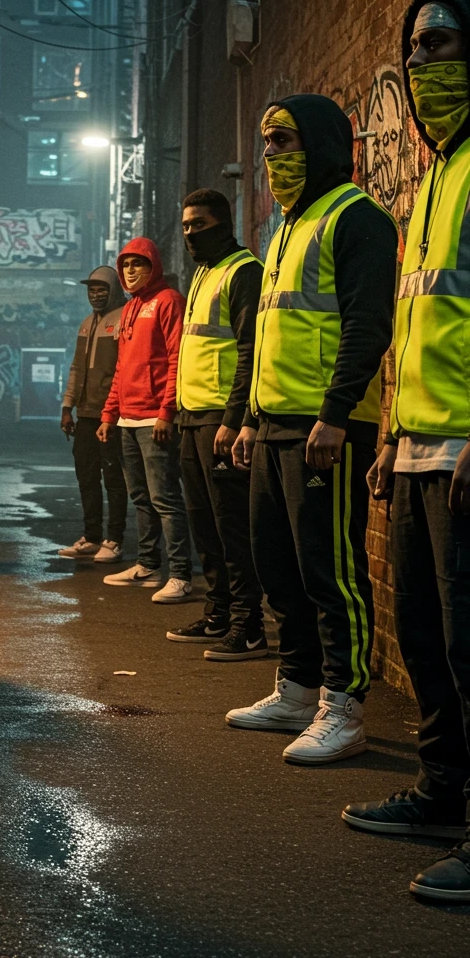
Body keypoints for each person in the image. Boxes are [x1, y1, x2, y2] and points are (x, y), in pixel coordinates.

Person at [344, 0, 470, 902]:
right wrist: (390, 431)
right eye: (415, 48)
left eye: (442, 44)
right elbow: (417, 322)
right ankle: (444, 791)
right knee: (426, 642)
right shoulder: (433, 181)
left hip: (468, 453)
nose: (423, 63)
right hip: (420, 448)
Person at [227, 95, 398, 764]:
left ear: (321, 145)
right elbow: (275, 331)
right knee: (280, 568)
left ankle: (344, 706)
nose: (271, 156)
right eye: (267, 144)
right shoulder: (289, 227)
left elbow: (366, 324)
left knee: (333, 573)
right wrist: (250, 419)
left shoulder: (358, 219)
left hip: (326, 428)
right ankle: (296, 688)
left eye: (284, 143)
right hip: (274, 425)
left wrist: (334, 413)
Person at [168, 189, 266, 659]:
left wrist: (234, 418)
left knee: (232, 527)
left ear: (223, 224)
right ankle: (219, 613)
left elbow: (250, 351)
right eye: (185, 226)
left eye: (199, 225)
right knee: (203, 524)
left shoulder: (242, 271)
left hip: (218, 421)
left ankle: (249, 626)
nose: (190, 234)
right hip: (193, 416)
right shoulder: (204, 272)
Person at [97, 238, 192, 603]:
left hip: (155, 419)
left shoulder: (168, 301)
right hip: (127, 420)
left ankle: (181, 574)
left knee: (165, 498)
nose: (131, 271)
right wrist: (110, 413)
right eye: (126, 265)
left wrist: (167, 412)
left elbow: (176, 360)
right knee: (141, 497)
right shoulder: (130, 309)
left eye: (139, 264)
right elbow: (122, 368)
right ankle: (148, 565)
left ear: (154, 266)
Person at [58, 265, 128, 564]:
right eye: (91, 290)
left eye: (102, 290)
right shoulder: (86, 324)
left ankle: (115, 539)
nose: (96, 295)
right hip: (86, 414)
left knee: (113, 477)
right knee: (86, 476)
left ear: (113, 290)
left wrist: (112, 411)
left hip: (111, 414)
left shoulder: (124, 319)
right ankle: (92, 536)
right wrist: (67, 406)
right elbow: (76, 368)